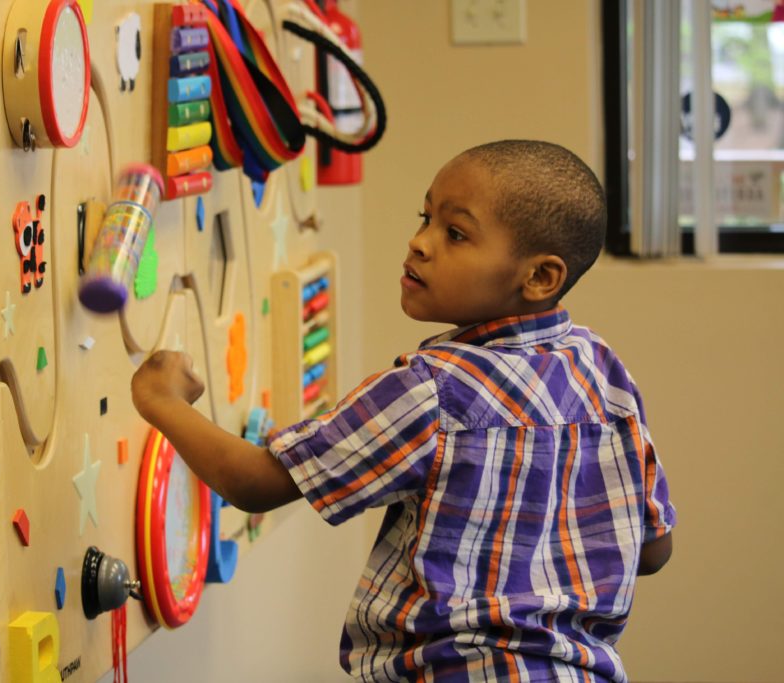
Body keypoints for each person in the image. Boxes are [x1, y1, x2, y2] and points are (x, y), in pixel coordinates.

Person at [131, 140, 675, 682]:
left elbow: (257, 484)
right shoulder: (604, 372)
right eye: (426, 218)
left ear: (538, 278)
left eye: (455, 233)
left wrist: (162, 399)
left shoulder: (431, 389)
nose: (419, 243)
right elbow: (653, 550)